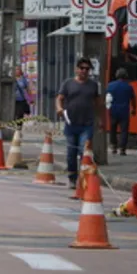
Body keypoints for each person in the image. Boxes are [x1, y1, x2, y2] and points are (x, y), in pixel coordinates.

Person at [55, 58, 101, 189]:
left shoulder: (93, 85)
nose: (84, 71)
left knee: (83, 151)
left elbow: (98, 103)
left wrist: (101, 119)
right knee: (71, 153)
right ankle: (72, 178)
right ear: (76, 69)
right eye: (82, 68)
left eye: (87, 69)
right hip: (71, 124)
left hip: (87, 124)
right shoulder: (68, 83)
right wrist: (59, 108)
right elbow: (59, 98)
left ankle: (83, 178)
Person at [106, 68, 137, 156]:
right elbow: (133, 99)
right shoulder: (128, 86)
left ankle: (113, 147)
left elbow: (107, 98)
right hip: (124, 112)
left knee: (112, 130)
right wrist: (134, 109)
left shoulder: (110, 85)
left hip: (113, 111)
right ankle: (122, 149)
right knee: (124, 131)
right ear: (125, 76)